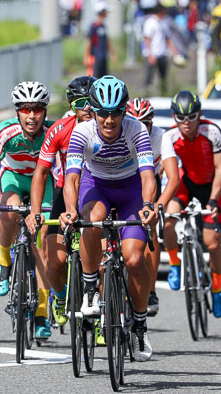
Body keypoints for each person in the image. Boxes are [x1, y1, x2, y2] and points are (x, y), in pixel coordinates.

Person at [59, 76, 157, 362]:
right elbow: (72, 178)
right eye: (103, 112)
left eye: (116, 112)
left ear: (124, 111)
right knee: (91, 220)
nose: (109, 119)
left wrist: (149, 204)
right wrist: (70, 209)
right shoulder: (81, 132)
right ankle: (90, 288)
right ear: (93, 110)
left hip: (130, 190)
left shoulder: (136, 129)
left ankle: (139, 326)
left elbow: (148, 175)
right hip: (97, 185)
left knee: (135, 259)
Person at [0, 81, 55, 340]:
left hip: (42, 182)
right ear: (17, 112)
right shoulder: (6, 131)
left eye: (37, 109)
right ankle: (4, 261)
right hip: (13, 177)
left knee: (42, 243)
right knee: (9, 211)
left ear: (44, 112)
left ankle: (42, 314)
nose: (31, 115)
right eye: (25, 109)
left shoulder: (52, 132)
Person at [24, 76, 95, 330]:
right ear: (71, 105)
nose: (87, 108)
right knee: (54, 262)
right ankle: (62, 296)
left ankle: (107, 310)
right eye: (81, 103)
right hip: (66, 192)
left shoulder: (108, 128)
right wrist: (34, 212)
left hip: (98, 191)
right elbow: (41, 172)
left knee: (105, 256)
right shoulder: (61, 129)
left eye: (92, 102)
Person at [162, 91, 221, 318]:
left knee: (212, 243)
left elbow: (220, 168)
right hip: (185, 184)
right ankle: (174, 263)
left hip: (210, 186)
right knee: (168, 222)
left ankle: (217, 289)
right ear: (174, 118)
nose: (186, 123)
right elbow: (161, 167)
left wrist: (213, 199)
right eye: (181, 118)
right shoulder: (169, 137)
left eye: (191, 117)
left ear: (199, 114)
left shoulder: (212, 132)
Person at [125, 97, 179, 317]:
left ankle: (151, 289)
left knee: (150, 235)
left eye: (146, 123)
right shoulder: (122, 132)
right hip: (124, 182)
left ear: (152, 123)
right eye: (135, 122)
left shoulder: (161, 136)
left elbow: (173, 178)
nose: (141, 128)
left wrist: (158, 206)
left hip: (149, 183)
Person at [143, 5, 179, 95]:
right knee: (149, 76)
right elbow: (147, 38)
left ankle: (163, 93)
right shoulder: (150, 22)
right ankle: (146, 94)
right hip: (152, 54)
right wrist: (150, 54)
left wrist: (174, 52)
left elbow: (167, 39)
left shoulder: (164, 22)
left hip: (162, 53)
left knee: (163, 76)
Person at [84, 2, 116, 79]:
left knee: (105, 76)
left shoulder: (103, 26)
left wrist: (112, 54)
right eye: (106, 12)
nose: (107, 14)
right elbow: (89, 41)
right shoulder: (94, 26)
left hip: (103, 55)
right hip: (96, 56)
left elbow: (107, 41)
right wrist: (86, 56)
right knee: (95, 77)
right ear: (101, 12)